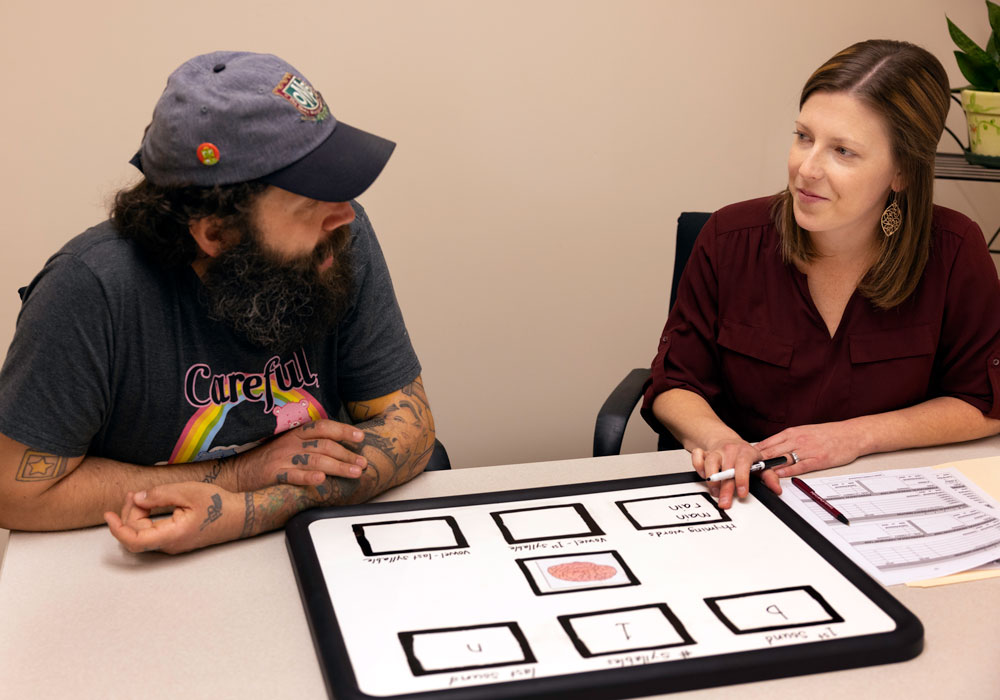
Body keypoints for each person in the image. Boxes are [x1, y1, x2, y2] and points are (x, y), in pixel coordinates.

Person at [0, 51, 436, 554]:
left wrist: (248, 512)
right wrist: (239, 475)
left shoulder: (335, 239)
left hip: (327, 543)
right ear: (216, 231)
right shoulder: (91, 289)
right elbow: (15, 493)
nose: (343, 215)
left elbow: (413, 426)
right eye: (309, 203)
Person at [642, 39, 1000, 509]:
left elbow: (983, 400)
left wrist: (854, 437)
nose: (805, 169)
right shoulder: (729, 237)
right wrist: (721, 440)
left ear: (902, 174)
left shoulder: (954, 250)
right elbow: (673, 384)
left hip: (885, 501)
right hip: (745, 497)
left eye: (843, 151)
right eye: (804, 137)